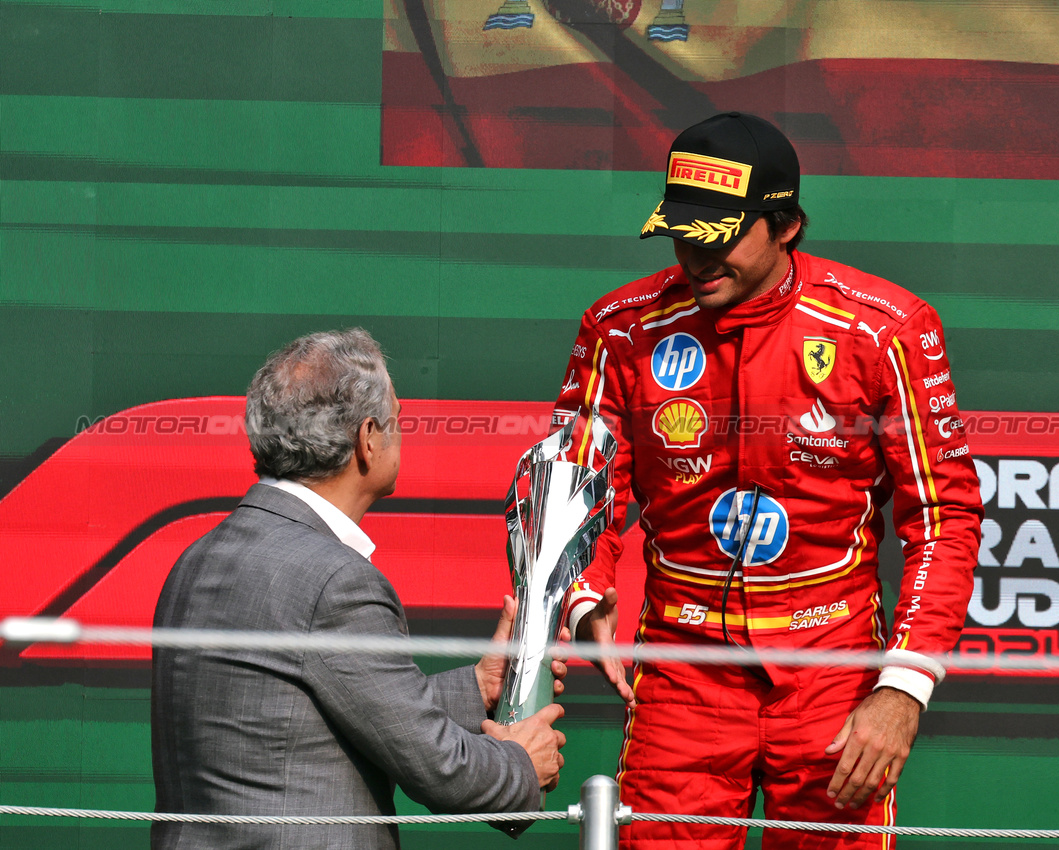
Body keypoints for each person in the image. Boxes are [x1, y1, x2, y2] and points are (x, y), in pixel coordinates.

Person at [553, 113, 983, 848]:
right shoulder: (621, 328)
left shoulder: (883, 329)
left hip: (832, 670)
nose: (694, 258)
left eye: (717, 238)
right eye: (681, 234)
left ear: (785, 226)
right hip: (683, 669)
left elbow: (943, 516)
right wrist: (583, 591)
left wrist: (904, 687)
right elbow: (573, 485)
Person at [151, 329, 567, 850]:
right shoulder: (336, 582)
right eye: (398, 419)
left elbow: (305, 720)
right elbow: (439, 770)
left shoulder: (195, 560)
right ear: (368, 439)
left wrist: (478, 685)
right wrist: (522, 764)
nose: (402, 434)